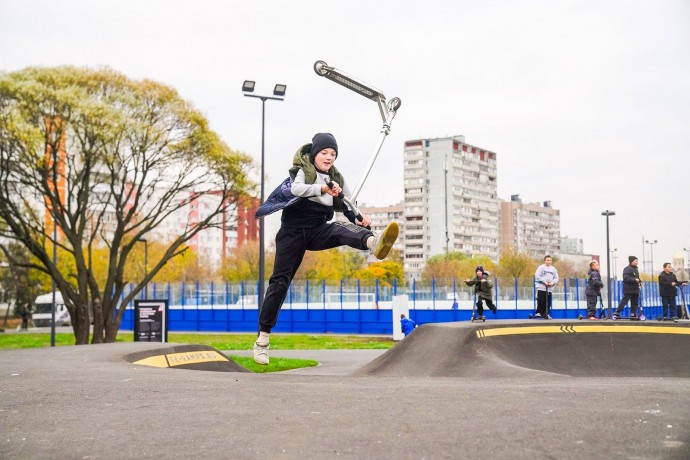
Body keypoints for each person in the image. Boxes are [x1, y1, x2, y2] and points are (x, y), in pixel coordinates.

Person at [252, 133, 399, 365]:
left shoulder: (337, 178)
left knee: (340, 228)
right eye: (324, 153)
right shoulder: (305, 169)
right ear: (315, 154)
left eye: (333, 154)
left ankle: (373, 243)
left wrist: (359, 217)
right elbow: (297, 189)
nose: (329, 157)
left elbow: (348, 203)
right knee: (279, 282)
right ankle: (262, 341)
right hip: (292, 233)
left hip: (317, 229)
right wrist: (322, 190)